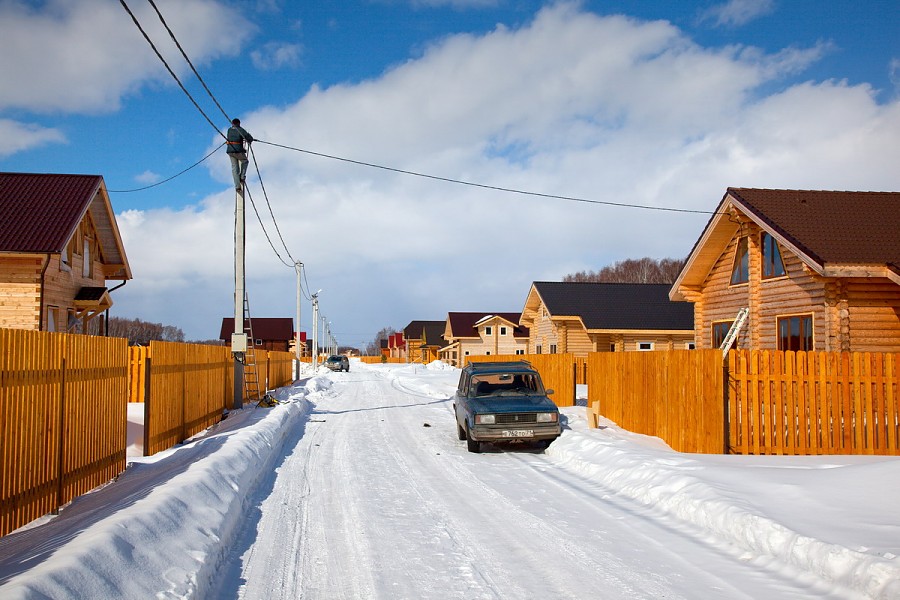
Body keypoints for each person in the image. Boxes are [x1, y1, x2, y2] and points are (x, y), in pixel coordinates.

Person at [226, 118, 253, 190]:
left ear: (232, 123)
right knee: (245, 161)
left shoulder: (229, 130)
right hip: (238, 150)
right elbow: (247, 137)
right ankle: (242, 177)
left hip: (230, 151)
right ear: (238, 123)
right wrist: (250, 139)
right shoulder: (240, 129)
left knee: (234, 168)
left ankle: (237, 186)